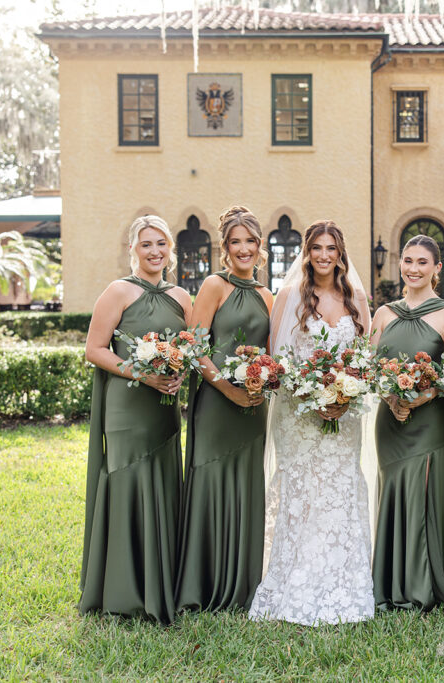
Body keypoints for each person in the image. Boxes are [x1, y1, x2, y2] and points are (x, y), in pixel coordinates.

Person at [248, 220, 375, 626]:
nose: (324, 255)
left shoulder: (356, 298)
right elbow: (277, 360)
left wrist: (343, 396)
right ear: (307, 252)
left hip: (344, 416)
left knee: (339, 489)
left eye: (331, 248)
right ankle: (294, 580)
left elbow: (365, 360)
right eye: (317, 248)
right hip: (299, 416)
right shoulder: (289, 296)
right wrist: (311, 396)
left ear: (340, 253)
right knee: (303, 494)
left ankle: (343, 582)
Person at [79, 215, 193, 624]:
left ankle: (161, 583)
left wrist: (180, 373)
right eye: (146, 244)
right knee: (128, 483)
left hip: (163, 410)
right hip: (126, 409)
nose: (155, 251)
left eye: (161, 243)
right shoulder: (118, 291)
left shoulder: (182, 297)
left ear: (170, 250)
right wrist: (142, 374)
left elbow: (190, 348)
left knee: (161, 484)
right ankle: (123, 590)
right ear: (133, 249)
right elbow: (94, 349)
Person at [176, 206, 273, 612]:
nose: (243, 248)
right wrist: (228, 390)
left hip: (254, 407)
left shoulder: (268, 296)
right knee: (212, 482)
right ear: (225, 247)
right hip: (217, 404)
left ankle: (244, 587)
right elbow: (195, 348)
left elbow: (272, 354)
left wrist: (264, 381)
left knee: (248, 487)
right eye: (236, 241)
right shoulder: (214, 286)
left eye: (250, 241)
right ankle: (203, 586)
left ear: (260, 246)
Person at [371, 234, 444, 611]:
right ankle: (390, 582)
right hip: (390, 422)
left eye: (422, 262)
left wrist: (422, 396)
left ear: (437, 268)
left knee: (422, 495)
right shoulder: (383, 313)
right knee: (395, 490)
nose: (413, 269)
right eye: (408, 261)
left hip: (430, 420)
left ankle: (423, 587)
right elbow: (369, 369)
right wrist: (391, 398)